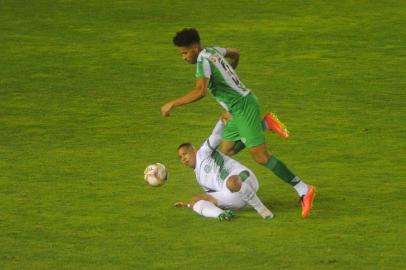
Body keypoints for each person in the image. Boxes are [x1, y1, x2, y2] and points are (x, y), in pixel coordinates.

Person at [161, 28, 316, 218]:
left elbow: (200, 91)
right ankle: (265, 124)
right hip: (237, 108)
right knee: (226, 150)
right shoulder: (213, 51)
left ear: (194, 48)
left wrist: (173, 103)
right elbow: (235, 53)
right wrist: (229, 78)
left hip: (243, 108)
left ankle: (303, 189)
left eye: (184, 52)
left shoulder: (202, 61)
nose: (183, 57)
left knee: (261, 156)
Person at [175, 118, 273, 221]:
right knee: (195, 200)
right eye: (180, 158)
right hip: (233, 197)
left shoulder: (203, 152)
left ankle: (262, 209)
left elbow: (216, 136)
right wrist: (189, 205)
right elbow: (213, 197)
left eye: (185, 154)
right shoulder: (199, 178)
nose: (183, 159)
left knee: (232, 182)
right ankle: (223, 215)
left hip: (244, 178)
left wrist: (221, 121)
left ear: (194, 150)